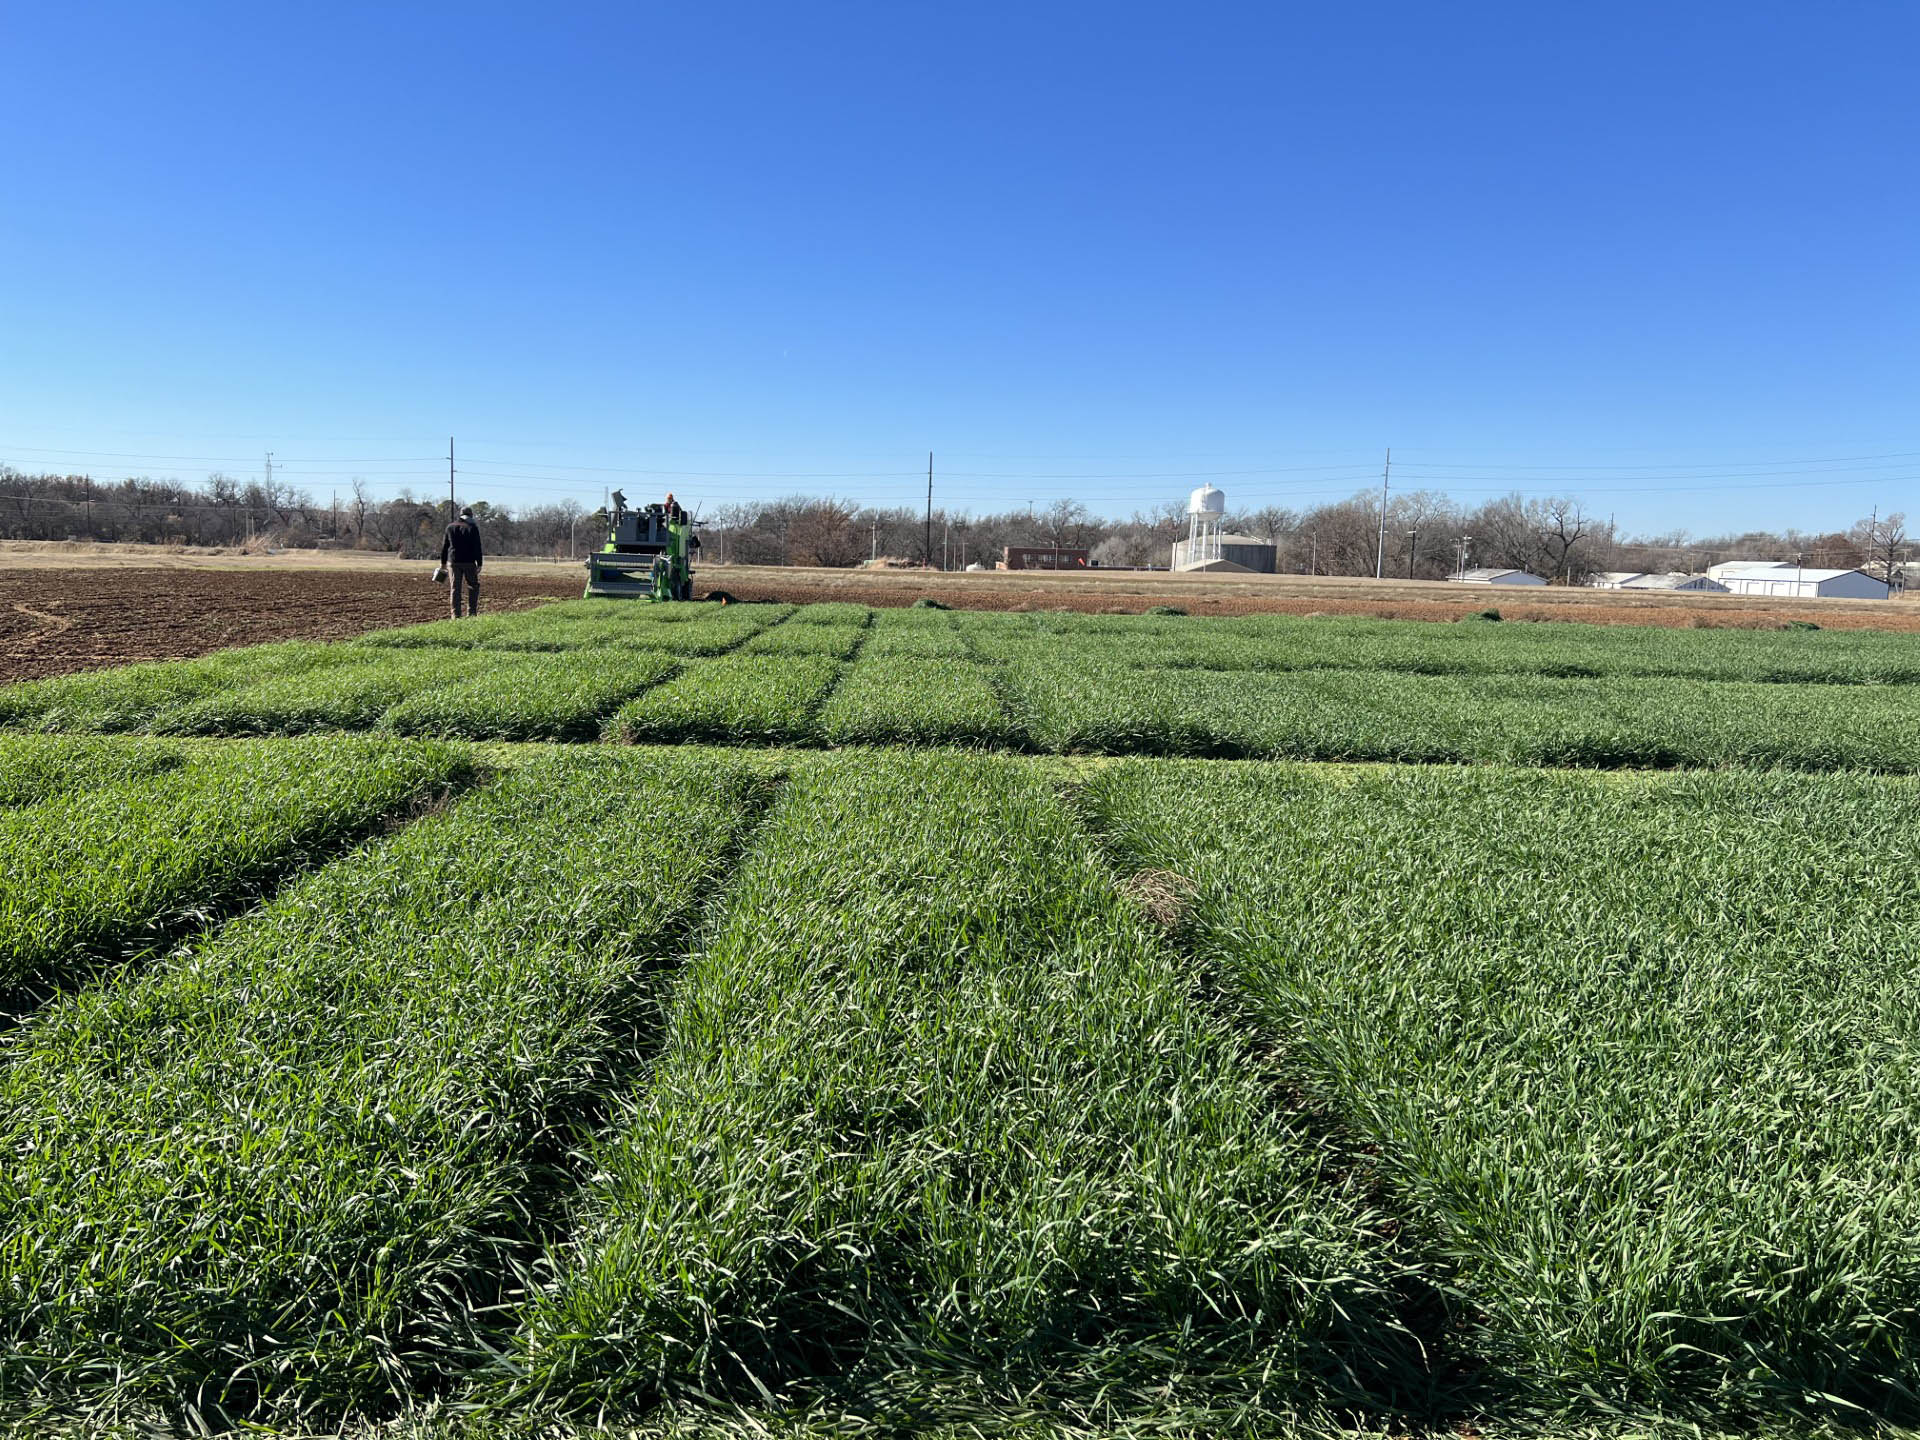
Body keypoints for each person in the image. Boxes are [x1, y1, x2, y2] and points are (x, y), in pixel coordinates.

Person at [440, 505, 484, 617]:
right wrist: (479, 563)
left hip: (453, 562)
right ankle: (472, 612)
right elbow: (477, 547)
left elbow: (445, 547)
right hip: (469, 562)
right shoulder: (472, 527)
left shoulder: (450, 527)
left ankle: (455, 615)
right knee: (473, 586)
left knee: (455, 588)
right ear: (471, 515)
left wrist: (443, 563)